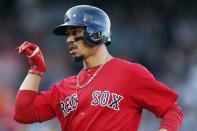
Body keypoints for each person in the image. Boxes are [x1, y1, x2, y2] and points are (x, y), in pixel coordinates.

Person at [13, 5, 184, 131]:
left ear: (96, 32)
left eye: (75, 32)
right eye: (68, 35)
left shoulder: (129, 73)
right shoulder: (63, 88)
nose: (69, 40)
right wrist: (35, 70)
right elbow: (23, 113)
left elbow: (172, 109)